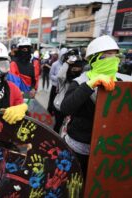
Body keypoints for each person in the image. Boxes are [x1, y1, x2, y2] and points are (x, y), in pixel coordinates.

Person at [60, 35, 130, 179]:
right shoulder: (80, 82)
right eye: (107, 55)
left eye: (114, 55)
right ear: (93, 59)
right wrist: (91, 84)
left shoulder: (123, 82)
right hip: (81, 148)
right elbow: (66, 107)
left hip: (109, 148)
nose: (113, 59)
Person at [47, 48, 67, 117]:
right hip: (55, 86)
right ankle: (50, 113)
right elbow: (50, 75)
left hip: (63, 88)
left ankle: (58, 113)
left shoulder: (67, 65)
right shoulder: (55, 64)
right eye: (63, 55)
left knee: (60, 101)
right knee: (52, 101)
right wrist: (58, 78)